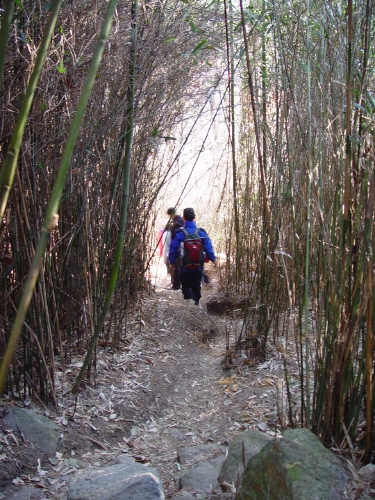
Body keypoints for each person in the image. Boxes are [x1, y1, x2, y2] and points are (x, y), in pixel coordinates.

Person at [168, 207, 216, 306]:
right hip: (198, 265)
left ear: (184, 218)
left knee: (185, 285)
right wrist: (213, 259)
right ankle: (196, 303)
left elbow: (173, 249)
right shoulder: (201, 232)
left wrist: (172, 262)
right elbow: (208, 247)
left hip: (184, 266)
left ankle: (188, 306)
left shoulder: (180, 233)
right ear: (194, 217)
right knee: (196, 284)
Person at [167, 207, 184, 290]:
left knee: (177, 266)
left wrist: (172, 260)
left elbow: (174, 241)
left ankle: (176, 285)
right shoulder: (183, 221)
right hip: (187, 248)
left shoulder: (175, 224)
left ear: (170, 214)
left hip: (180, 248)